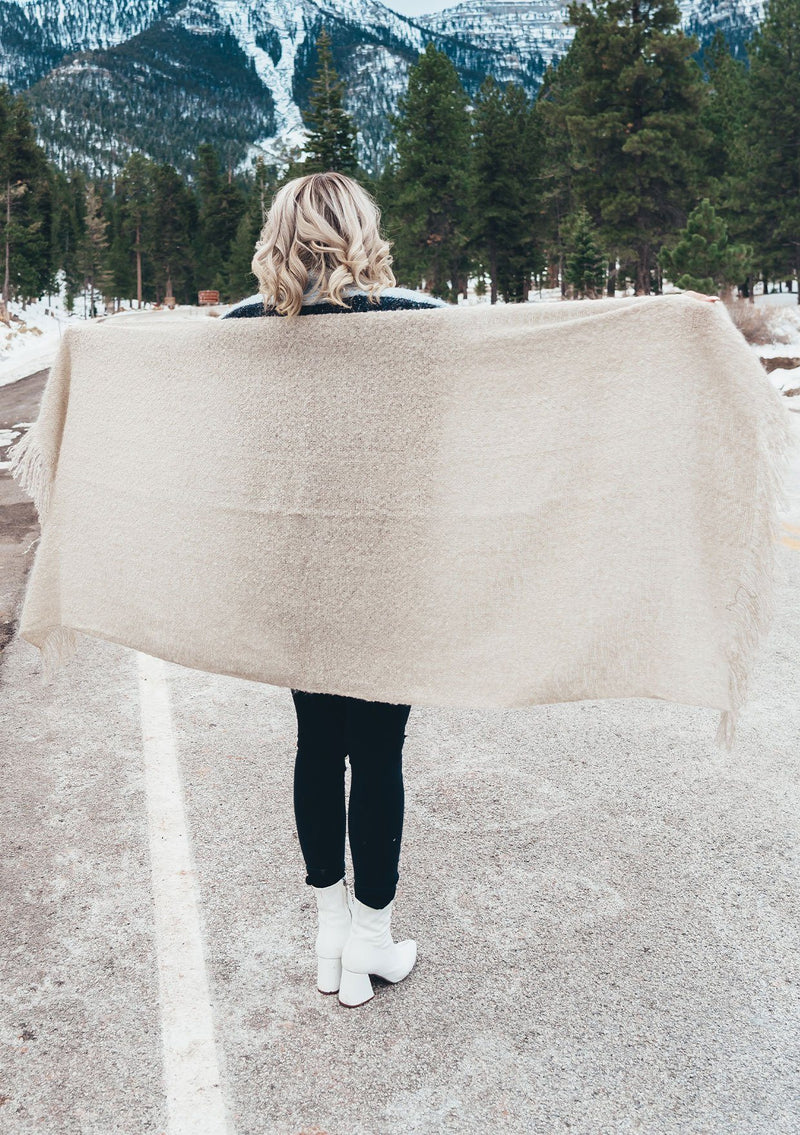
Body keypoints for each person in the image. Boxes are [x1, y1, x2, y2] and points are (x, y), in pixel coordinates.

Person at [223, 171, 447, 1008]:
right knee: (378, 752)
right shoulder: (419, 322)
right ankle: (370, 945)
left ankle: (329, 928)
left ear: (278, 234)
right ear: (361, 230)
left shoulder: (239, 332)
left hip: (293, 572)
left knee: (316, 744)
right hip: (387, 573)